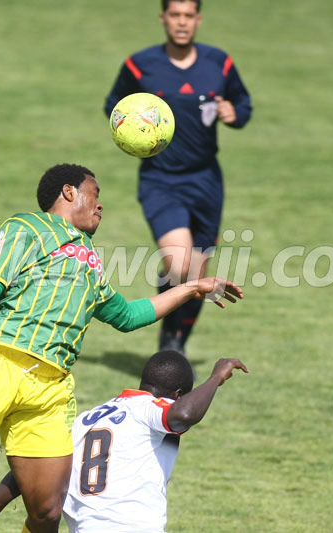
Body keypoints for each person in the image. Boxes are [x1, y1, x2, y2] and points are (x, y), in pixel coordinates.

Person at [0, 163, 244, 533]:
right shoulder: (25, 228)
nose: (100, 205)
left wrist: (193, 287)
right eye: (95, 194)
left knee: (46, 511)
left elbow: (128, 315)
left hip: (51, 390)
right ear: (68, 192)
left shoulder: (91, 262)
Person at [0, 351, 249, 533]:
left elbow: (33, 472)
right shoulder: (150, 409)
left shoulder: (86, 420)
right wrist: (215, 378)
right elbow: (182, 415)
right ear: (179, 393)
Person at [104, 0, 252, 359]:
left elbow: (243, 103)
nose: (182, 22)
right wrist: (131, 126)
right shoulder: (140, 66)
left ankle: (175, 344)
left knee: (199, 273)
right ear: (163, 19)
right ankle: (169, 337)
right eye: (175, 15)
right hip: (160, 180)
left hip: (205, 181)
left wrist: (234, 114)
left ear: (198, 20)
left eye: (188, 16)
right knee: (179, 263)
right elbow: (114, 104)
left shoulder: (220, 63)